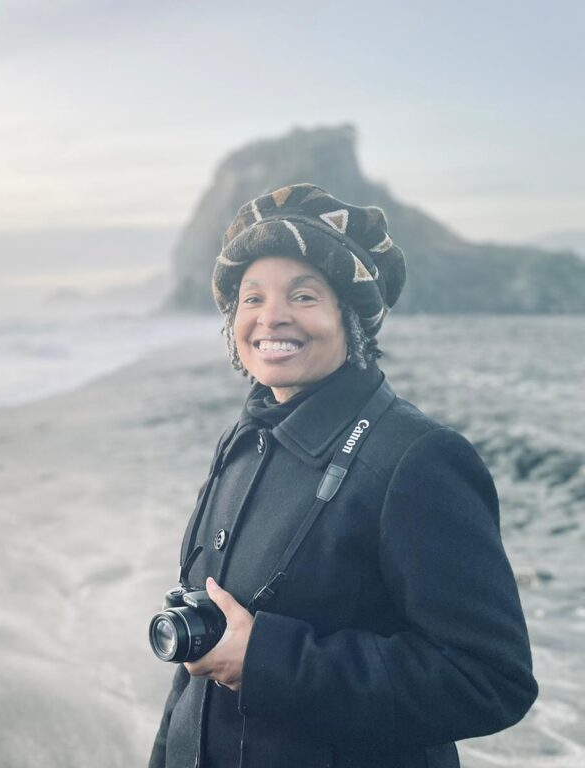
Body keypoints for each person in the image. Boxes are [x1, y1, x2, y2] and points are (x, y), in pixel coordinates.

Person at [149, 184, 537, 768]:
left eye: (303, 296)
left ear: (351, 317)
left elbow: (489, 678)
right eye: (251, 298)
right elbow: (196, 674)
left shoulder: (417, 458)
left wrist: (267, 662)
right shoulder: (243, 440)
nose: (270, 316)